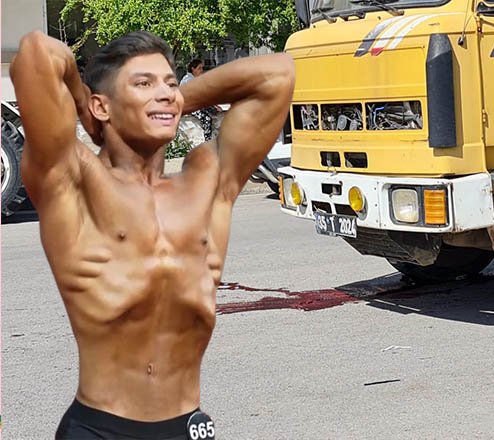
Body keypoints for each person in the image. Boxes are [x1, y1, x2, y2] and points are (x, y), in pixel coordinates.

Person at [10, 30, 295, 439]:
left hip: (187, 425)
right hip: (99, 427)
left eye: (170, 83)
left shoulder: (205, 181)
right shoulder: (72, 181)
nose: (163, 92)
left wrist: (175, 100)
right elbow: (37, 52)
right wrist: (82, 102)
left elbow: (278, 74)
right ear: (101, 106)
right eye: (143, 83)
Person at [181, 58, 220, 141]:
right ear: (193, 69)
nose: (201, 70)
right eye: (199, 68)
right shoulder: (188, 80)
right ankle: (207, 141)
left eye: (202, 68)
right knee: (207, 119)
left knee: (215, 112)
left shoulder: (195, 79)